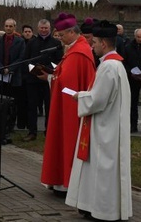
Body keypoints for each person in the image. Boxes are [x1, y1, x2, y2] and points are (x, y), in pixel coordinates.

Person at [66, 20, 132, 221]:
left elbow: (98, 100)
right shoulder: (115, 64)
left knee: (103, 171)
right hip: (108, 125)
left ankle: (103, 211)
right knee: (97, 168)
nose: (91, 46)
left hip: (104, 128)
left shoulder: (108, 67)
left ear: (103, 43)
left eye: (94, 42)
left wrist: (80, 96)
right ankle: (92, 206)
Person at [40, 13, 96, 197]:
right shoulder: (73, 49)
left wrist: (50, 77)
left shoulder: (79, 52)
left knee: (68, 141)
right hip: (65, 105)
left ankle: (67, 183)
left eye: (62, 35)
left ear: (72, 32)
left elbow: (67, 83)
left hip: (71, 110)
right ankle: (59, 181)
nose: (60, 39)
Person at [22, 19, 63, 141]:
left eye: (46, 28)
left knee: (49, 107)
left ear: (49, 29)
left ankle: (48, 131)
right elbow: (25, 59)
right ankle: (32, 132)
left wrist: (49, 70)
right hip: (33, 79)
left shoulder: (56, 43)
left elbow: (59, 62)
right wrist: (32, 69)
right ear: (38, 28)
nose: (44, 30)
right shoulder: (31, 43)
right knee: (32, 106)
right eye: (42, 28)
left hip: (49, 80)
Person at [0, 19, 26, 129]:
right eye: (6, 26)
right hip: (0, 74)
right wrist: (0, 67)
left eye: (11, 26)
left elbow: (21, 58)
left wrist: (10, 68)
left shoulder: (20, 41)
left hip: (13, 75)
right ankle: (0, 123)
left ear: (15, 27)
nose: (8, 28)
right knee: (0, 99)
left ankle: (10, 125)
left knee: (12, 101)